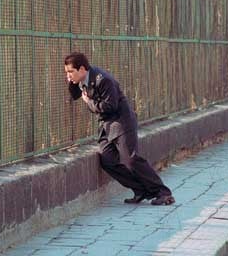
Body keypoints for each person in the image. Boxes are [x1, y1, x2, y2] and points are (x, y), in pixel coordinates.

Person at [64, 52, 175, 205]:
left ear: (82, 69)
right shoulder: (83, 79)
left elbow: (110, 106)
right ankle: (140, 190)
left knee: (131, 159)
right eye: (66, 72)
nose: (68, 75)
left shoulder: (103, 80)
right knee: (107, 160)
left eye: (70, 72)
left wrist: (89, 102)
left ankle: (163, 193)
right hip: (107, 126)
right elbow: (74, 96)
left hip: (122, 123)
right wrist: (71, 81)